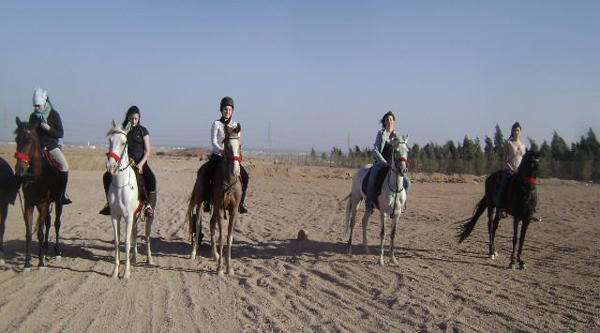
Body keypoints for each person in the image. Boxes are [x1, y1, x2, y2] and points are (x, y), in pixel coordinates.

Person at [99, 106, 157, 217]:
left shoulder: (143, 131)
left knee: (151, 179)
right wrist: (128, 159)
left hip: (141, 162)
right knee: (106, 176)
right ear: (128, 118)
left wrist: (140, 164)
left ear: (139, 118)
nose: (134, 121)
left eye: (136, 118)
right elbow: (120, 147)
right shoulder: (124, 131)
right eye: (131, 118)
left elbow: (147, 151)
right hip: (126, 162)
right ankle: (109, 204)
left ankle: (148, 205)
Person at [202, 96, 249, 214]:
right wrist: (221, 151)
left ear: (232, 111)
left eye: (229, 109)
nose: (227, 112)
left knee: (246, 176)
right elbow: (213, 142)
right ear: (221, 110)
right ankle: (207, 201)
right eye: (225, 109)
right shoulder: (216, 124)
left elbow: (237, 143)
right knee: (207, 174)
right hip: (218, 155)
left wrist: (236, 155)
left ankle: (241, 202)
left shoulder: (236, 125)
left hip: (231, 157)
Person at [28, 88, 72, 204]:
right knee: (23, 164)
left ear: (45, 103)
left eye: (39, 106)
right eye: (35, 106)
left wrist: (49, 129)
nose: (37, 108)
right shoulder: (33, 117)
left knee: (64, 166)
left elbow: (60, 133)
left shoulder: (53, 114)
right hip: (38, 148)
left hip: (52, 147)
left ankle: (62, 194)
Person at [365, 111, 411, 214]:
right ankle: (369, 204)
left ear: (393, 121)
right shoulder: (381, 134)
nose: (389, 121)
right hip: (381, 163)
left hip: (394, 165)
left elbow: (401, 150)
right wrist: (384, 162)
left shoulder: (397, 136)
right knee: (372, 179)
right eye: (387, 120)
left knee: (407, 183)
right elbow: (376, 150)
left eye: (391, 120)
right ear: (384, 122)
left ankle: (400, 204)